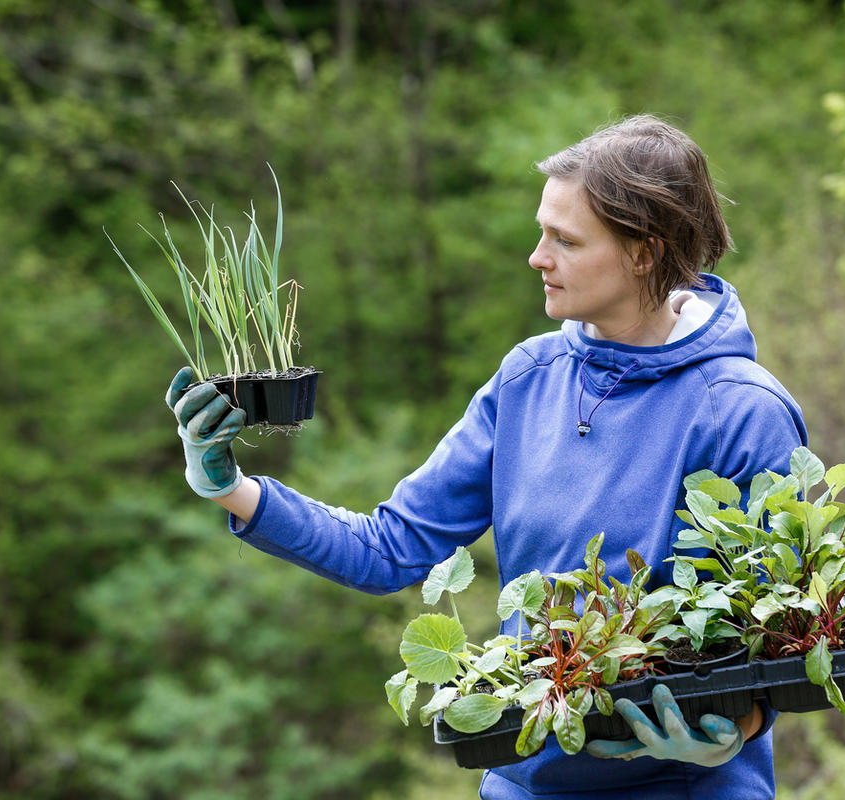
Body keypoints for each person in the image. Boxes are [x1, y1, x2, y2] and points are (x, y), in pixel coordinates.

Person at [166, 114, 806, 800]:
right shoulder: (529, 378)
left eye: (564, 239)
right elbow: (390, 549)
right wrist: (229, 487)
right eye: (542, 232)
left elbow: (785, 632)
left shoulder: (738, 409)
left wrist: (737, 728)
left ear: (643, 253)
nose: (537, 256)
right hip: (527, 782)